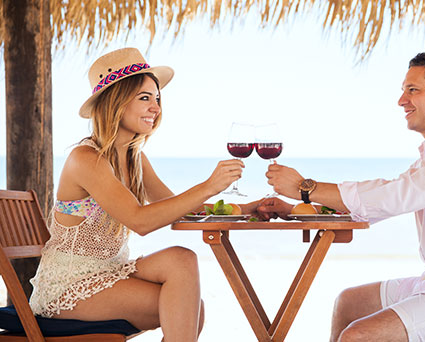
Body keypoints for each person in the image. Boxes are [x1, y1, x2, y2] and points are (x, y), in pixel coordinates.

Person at [259, 53, 425, 341]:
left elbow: (401, 194)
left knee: (360, 335)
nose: (401, 100)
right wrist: (300, 208)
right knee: (348, 303)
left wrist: (307, 187)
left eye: (413, 90)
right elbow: (386, 201)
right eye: (404, 91)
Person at [28, 47, 260, 342]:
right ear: (115, 101)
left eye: (158, 98)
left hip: (110, 273)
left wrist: (245, 209)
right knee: (189, 309)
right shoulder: (86, 158)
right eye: (145, 98)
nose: (156, 108)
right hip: (68, 287)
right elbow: (141, 221)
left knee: (181, 260)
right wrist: (208, 184)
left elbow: (177, 208)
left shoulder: (134, 159)